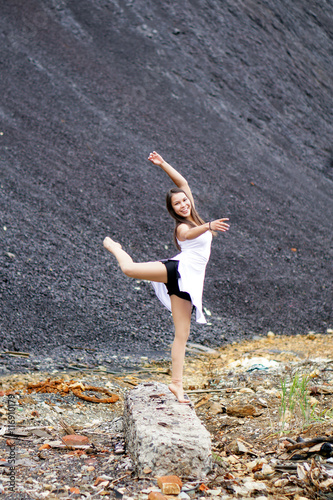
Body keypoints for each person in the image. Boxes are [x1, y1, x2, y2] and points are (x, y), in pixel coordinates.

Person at [103, 151, 229, 402]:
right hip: (176, 270)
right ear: (173, 210)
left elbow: (182, 183)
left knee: (182, 335)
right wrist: (208, 226)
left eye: (184, 201)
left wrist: (163, 165)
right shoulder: (184, 226)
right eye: (177, 204)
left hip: (189, 283)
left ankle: (177, 385)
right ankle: (114, 246)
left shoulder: (192, 213)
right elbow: (187, 237)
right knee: (130, 270)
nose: (183, 204)